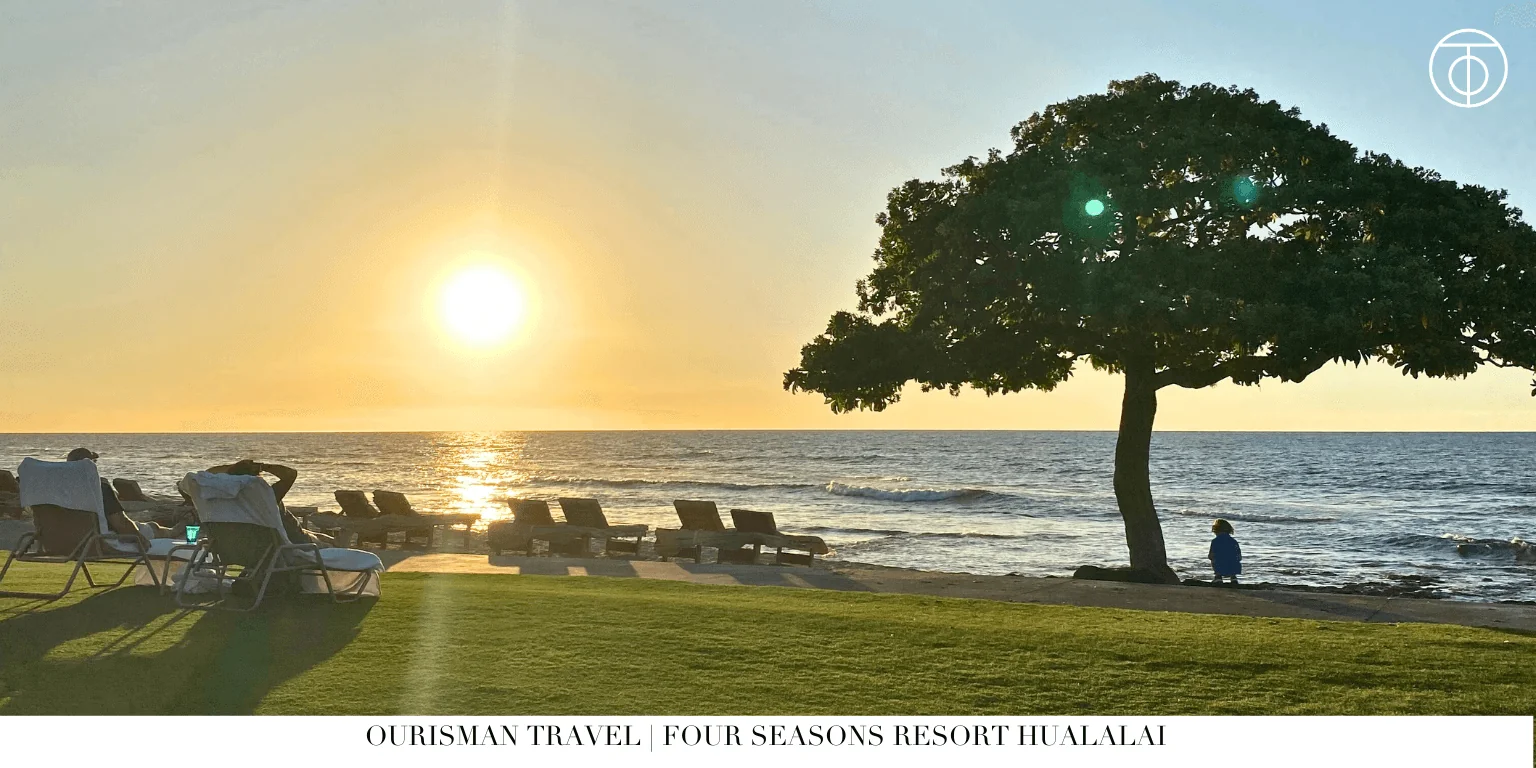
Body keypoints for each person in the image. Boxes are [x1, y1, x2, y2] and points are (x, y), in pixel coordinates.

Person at [64, 447, 180, 544]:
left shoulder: (63, 492)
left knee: (149, 526)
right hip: (106, 540)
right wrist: (140, 539)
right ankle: (181, 526)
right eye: (94, 462)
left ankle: (179, 526)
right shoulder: (100, 488)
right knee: (154, 527)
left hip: (71, 542)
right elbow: (121, 523)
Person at [206, 459, 323, 545]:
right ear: (256, 479)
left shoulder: (230, 501)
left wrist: (236, 468)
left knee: (321, 537)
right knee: (331, 544)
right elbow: (291, 474)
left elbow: (207, 474)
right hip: (296, 541)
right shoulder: (266, 498)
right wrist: (263, 466)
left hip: (253, 547)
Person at [1208, 518, 1242, 585]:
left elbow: (1211, 555)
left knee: (1215, 558)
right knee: (1232, 558)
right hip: (1234, 566)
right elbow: (1239, 556)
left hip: (1220, 566)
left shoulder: (1215, 541)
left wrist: (1210, 557)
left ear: (1216, 530)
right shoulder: (1234, 541)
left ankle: (1218, 577)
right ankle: (1233, 578)